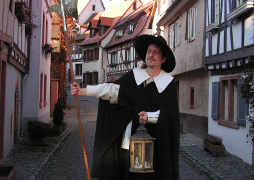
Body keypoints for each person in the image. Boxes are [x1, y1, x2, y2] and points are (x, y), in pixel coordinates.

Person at [71, 34, 180, 180]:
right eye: (149, 51)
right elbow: (111, 90)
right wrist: (83, 91)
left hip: (156, 150)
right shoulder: (134, 76)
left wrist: (150, 117)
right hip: (128, 146)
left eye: (156, 52)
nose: (151, 55)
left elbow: (170, 117)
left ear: (163, 59)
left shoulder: (168, 83)